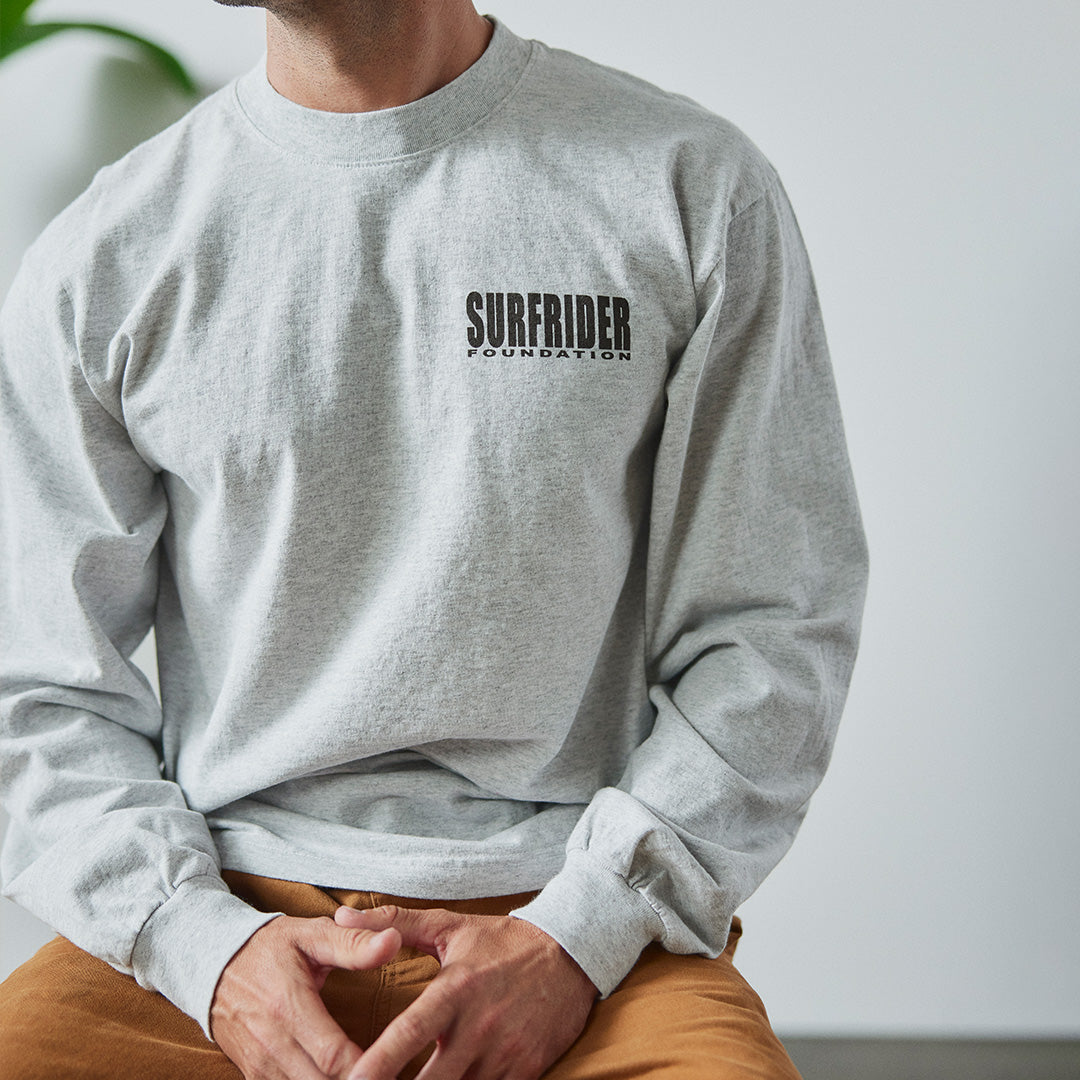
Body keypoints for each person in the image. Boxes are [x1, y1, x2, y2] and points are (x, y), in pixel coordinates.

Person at [0, 2, 868, 1078]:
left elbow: (773, 625)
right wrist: (206, 952)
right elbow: (36, 685)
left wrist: (577, 937)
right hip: (220, 914)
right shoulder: (111, 249)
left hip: (578, 914)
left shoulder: (687, 186)